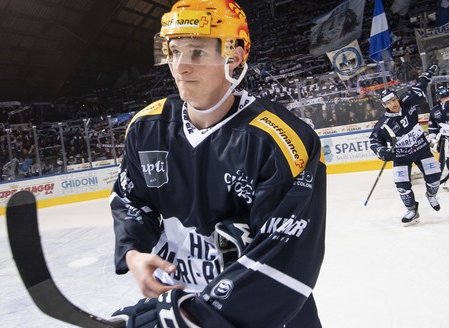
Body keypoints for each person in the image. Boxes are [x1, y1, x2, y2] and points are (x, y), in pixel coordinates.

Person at [109, 1, 327, 327]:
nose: (180, 67)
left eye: (197, 53)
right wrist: (134, 252)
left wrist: (197, 318)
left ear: (234, 56)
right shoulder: (145, 128)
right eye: (174, 51)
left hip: (260, 314)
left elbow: (285, 257)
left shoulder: (281, 139)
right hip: (179, 302)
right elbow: (130, 200)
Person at [369, 64, 442, 226]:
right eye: (389, 103)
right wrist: (382, 152)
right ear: (384, 106)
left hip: (421, 148)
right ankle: (411, 210)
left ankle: (431, 195)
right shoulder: (383, 124)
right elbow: (373, 141)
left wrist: (428, 73)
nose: (394, 104)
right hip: (401, 156)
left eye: (394, 99)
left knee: (435, 177)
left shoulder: (408, 101)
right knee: (402, 186)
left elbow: (420, 85)